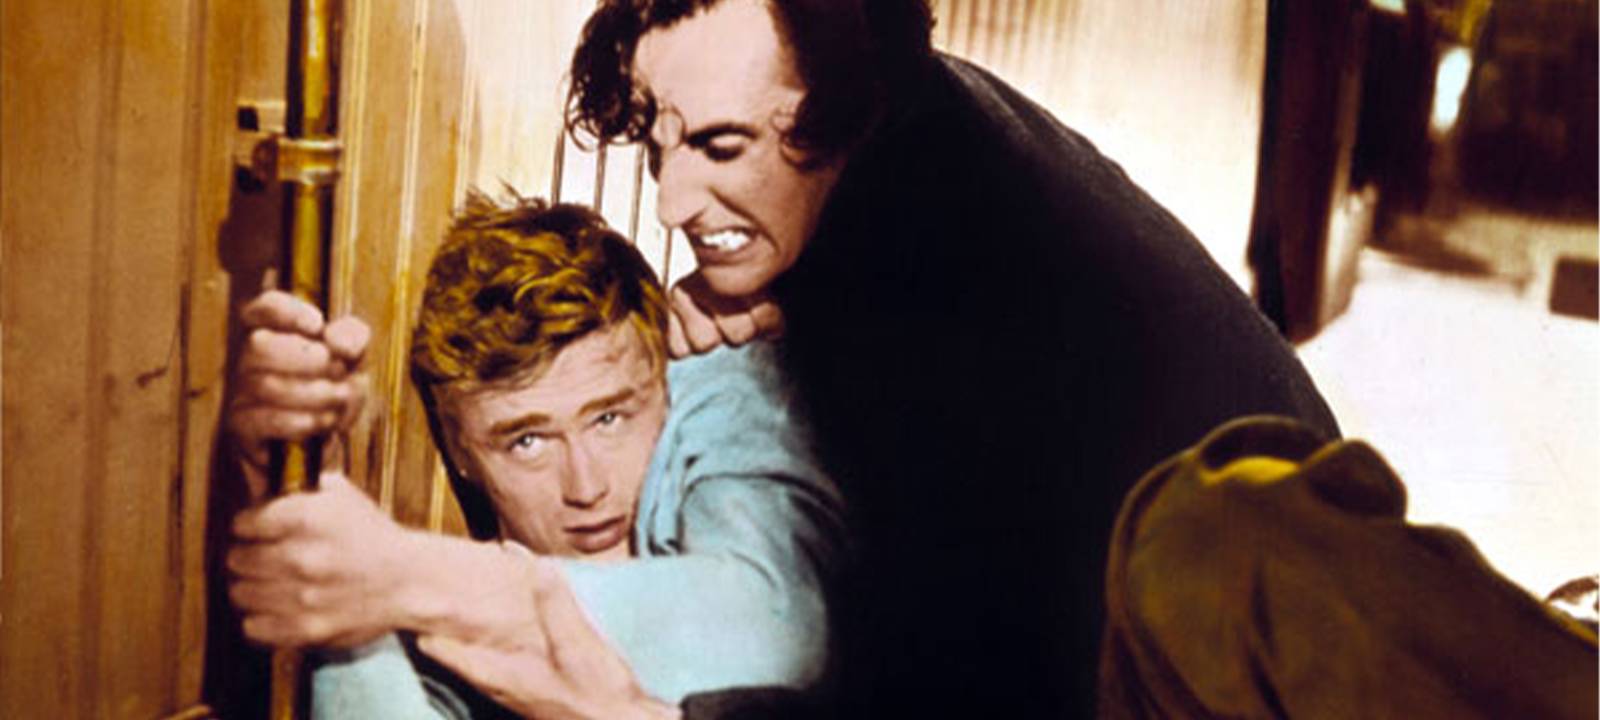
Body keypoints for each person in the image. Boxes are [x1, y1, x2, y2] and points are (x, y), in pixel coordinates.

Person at [565, 0, 1339, 716]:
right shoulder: (912, 112)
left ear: (843, 106)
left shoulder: (934, 301)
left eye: (722, 147)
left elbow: (929, 684)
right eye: (659, 149)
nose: (669, 204)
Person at [225, 195, 844, 717]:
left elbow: (779, 629)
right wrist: (309, 498)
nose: (586, 487)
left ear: (664, 389)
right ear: (460, 450)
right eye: (528, 441)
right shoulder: (444, 645)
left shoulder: (719, 401)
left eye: (609, 419)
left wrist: (401, 574)